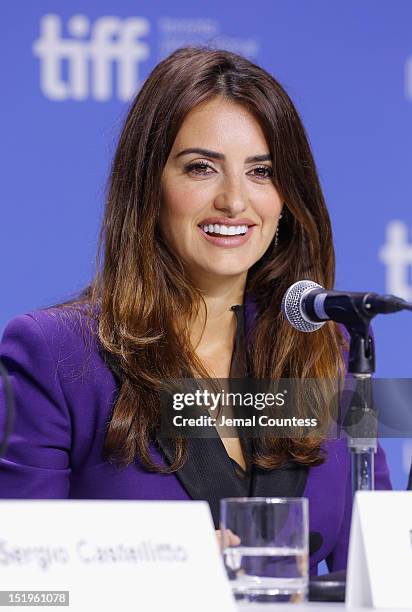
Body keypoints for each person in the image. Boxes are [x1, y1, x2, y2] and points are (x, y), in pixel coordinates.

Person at [0, 47, 390, 575]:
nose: (234, 200)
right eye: (201, 168)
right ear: (148, 185)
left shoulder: (326, 350)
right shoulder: (56, 354)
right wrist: (159, 567)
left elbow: (380, 574)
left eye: (262, 171)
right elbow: (20, 583)